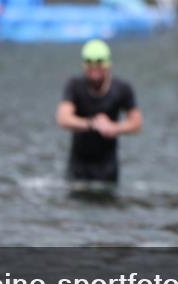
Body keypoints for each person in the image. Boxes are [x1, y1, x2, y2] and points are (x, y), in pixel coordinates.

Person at [55, 40, 142, 186]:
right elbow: (63, 119)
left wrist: (113, 128)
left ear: (108, 64)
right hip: (78, 166)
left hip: (107, 167)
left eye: (99, 63)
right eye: (90, 63)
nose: (94, 68)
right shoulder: (75, 86)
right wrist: (92, 124)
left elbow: (136, 123)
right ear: (84, 65)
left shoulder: (122, 89)